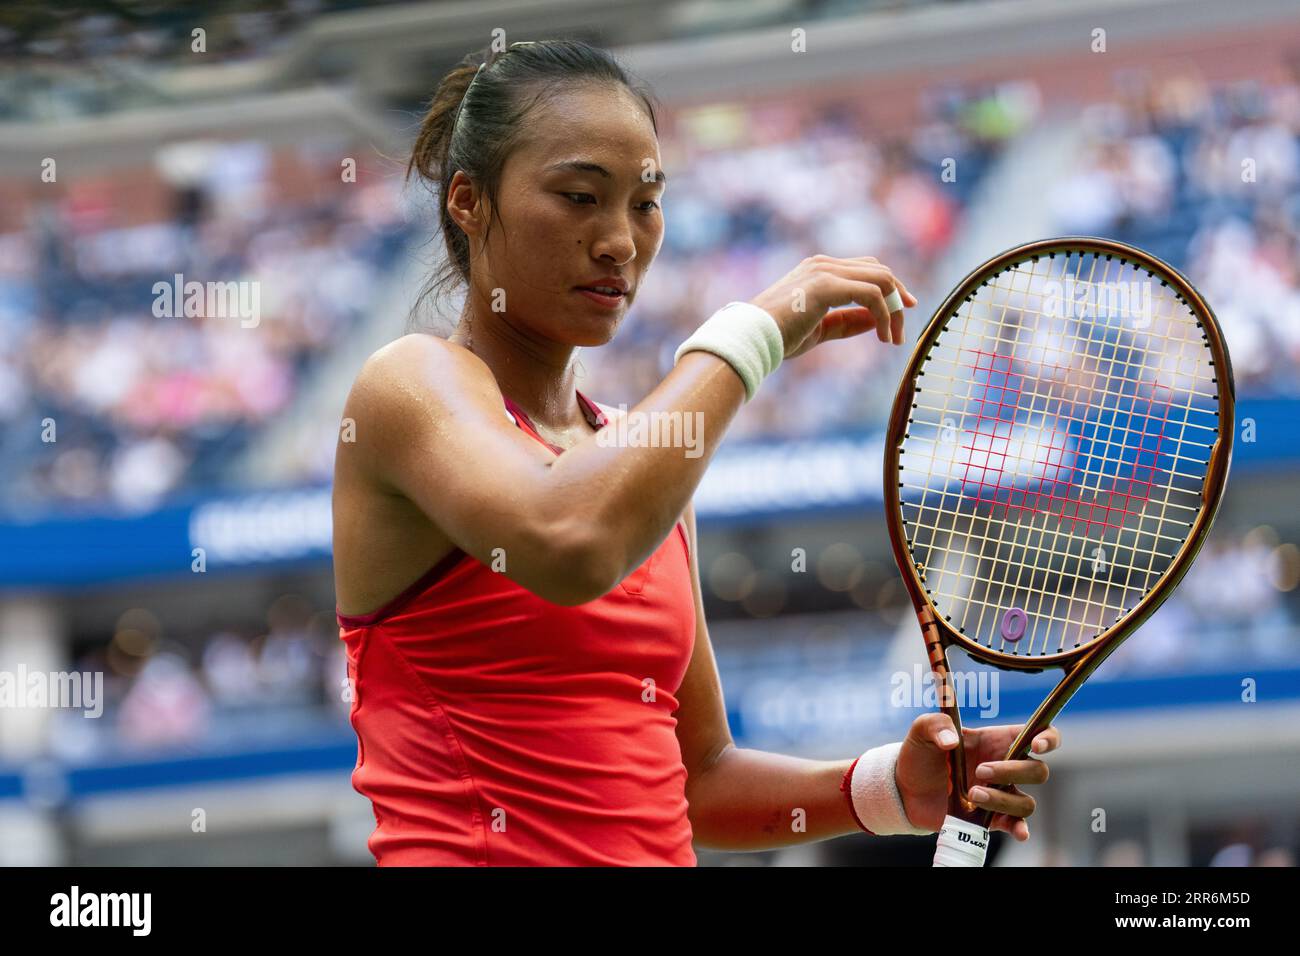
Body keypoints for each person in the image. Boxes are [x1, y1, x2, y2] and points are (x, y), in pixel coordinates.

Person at [331, 37, 1058, 866]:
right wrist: (751, 333)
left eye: (645, 203)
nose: (619, 241)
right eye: (579, 196)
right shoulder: (407, 386)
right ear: (468, 200)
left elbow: (698, 777)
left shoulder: (635, 470)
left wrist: (889, 789)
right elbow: (567, 541)